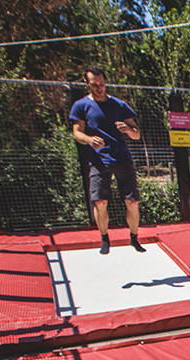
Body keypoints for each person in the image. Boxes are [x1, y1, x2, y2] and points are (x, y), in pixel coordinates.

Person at [69, 66, 146, 254]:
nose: (99, 88)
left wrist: (128, 129)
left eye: (102, 84)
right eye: (95, 85)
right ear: (87, 84)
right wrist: (88, 140)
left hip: (122, 157)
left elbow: (136, 134)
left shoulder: (119, 105)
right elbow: (76, 132)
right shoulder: (81, 106)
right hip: (98, 160)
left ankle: (134, 238)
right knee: (100, 202)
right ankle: (104, 239)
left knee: (132, 202)